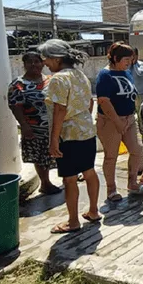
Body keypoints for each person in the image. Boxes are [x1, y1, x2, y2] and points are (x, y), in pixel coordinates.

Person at [40, 39, 101, 234]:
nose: (45, 63)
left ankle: (73, 221)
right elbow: (90, 103)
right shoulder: (80, 75)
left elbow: (59, 110)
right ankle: (93, 211)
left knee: (70, 179)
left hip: (69, 135)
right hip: (86, 132)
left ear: (56, 58)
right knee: (89, 171)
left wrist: (54, 139)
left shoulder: (58, 79)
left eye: (46, 59)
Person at [96, 42, 143, 202]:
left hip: (129, 118)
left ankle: (132, 183)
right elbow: (104, 101)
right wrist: (117, 122)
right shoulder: (105, 75)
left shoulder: (126, 73)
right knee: (111, 156)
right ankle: (111, 190)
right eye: (126, 60)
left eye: (131, 59)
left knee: (137, 150)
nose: (129, 63)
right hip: (110, 121)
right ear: (115, 58)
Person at [8, 52, 61, 195]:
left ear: (42, 63)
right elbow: (15, 106)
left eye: (37, 61)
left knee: (55, 154)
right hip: (34, 128)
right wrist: (24, 126)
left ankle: (66, 178)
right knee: (40, 157)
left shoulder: (51, 80)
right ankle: (45, 184)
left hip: (53, 127)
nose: (34, 65)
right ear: (24, 65)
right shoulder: (18, 84)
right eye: (29, 62)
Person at [130, 48, 143, 141]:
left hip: (141, 94)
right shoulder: (127, 66)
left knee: (141, 115)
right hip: (131, 94)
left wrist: (134, 64)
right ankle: (138, 134)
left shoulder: (142, 65)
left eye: (133, 55)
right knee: (133, 116)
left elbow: (139, 74)